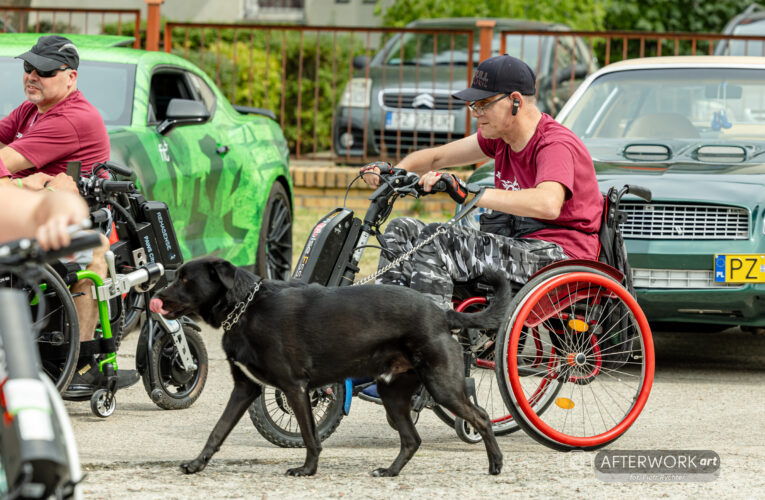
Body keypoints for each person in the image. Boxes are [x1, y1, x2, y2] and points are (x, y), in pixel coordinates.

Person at [359, 54, 604, 400]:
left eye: (483, 105)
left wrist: (472, 192)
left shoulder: (554, 144)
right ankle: (386, 349)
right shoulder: (500, 138)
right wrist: (392, 173)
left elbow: (549, 203)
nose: (476, 113)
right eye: (473, 105)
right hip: (517, 243)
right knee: (401, 230)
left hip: (558, 254)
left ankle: (430, 366)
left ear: (515, 102)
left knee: (440, 240)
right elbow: (435, 158)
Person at [0, 35, 137, 397]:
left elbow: (4, 163)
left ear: (70, 78)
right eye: (27, 67)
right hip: (40, 212)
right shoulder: (33, 109)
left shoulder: (70, 119)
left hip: (78, 220)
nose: (31, 76)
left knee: (87, 267)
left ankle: (79, 362)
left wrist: (27, 180)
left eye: (43, 71)